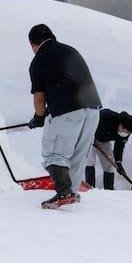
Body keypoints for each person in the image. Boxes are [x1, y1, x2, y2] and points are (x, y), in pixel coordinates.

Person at [27, 24, 102, 209]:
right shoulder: (70, 50)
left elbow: (39, 98)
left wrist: (38, 117)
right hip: (93, 108)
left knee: (54, 154)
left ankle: (64, 192)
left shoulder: (39, 60)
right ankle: (71, 194)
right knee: (78, 154)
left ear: (32, 44)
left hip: (66, 110)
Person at [85, 109, 132, 190]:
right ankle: (89, 188)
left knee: (109, 166)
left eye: (129, 132)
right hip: (89, 136)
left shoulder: (125, 133)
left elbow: (119, 148)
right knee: (90, 160)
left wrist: (119, 163)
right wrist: (90, 137)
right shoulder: (106, 116)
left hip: (104, 141)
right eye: (126, 130)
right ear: (121, 124)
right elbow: (89, 123)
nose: (126, 133)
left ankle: (109, 190)